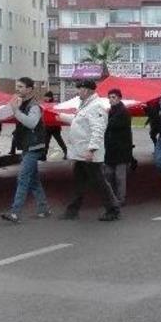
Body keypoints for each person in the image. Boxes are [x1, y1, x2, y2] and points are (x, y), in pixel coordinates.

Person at [58, 80, 121, 221]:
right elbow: (80, 121)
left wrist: (91, 149)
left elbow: (98, 129)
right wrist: (63, 117)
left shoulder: (96, 106)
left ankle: (113, 209)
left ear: (86, 90)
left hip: (89, 154)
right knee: (78, 183)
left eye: (79, 89)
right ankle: (72, 211)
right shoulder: (86, 105)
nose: (77, 92)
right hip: (82, 153)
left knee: (99, 182)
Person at [1, 77, 51, 223]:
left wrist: (15, 111)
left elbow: (31, 123)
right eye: (17, 86)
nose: (18, 89)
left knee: (23, 178)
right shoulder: (23, 104)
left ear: (29, 89)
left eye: (21, 87)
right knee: (33, 180)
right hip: (28, 146)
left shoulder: (33, 106)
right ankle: (44, 208)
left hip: (33, 147)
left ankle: (15, 212)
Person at [103, 88, 132, 206]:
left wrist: (104, 117)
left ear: (119, 98)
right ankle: (112, 196)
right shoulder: (111, 111)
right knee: (108, 174)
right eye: (109, 97)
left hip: (121, 149)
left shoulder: (123, 112)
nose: (111, 100)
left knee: (120, 176)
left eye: (113, 97)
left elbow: (112, 124)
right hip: (111, 149)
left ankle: (120, 199)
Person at [42, 90, 67, 160]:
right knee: (46, 142)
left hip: (55, 127)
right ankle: (44, 156)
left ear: (49, 97)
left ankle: (66, 152)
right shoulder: (45, 105)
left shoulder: (55, 105)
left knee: (59, 141)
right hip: (47, 127)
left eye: (46, 97)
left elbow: (58, 114)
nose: (44, 98)